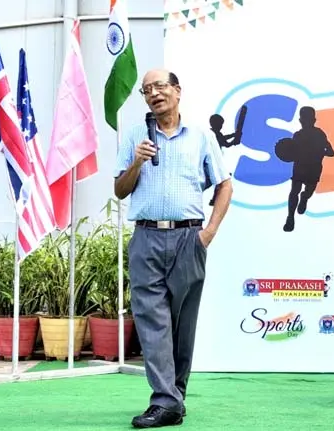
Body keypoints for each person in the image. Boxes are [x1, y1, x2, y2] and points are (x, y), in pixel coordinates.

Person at [113, 69, 233, 429]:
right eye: (146, 90)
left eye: (160, 86)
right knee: (152, 320)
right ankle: (164, 400)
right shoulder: (135, 136)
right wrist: (137, 161)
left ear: (177, 91)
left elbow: (224, 185)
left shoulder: (200, 136)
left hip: (188, 238)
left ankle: (174, 398)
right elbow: (120, 190)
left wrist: (207, 233)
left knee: (182, 323)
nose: (153, 93)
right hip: (146, 237)